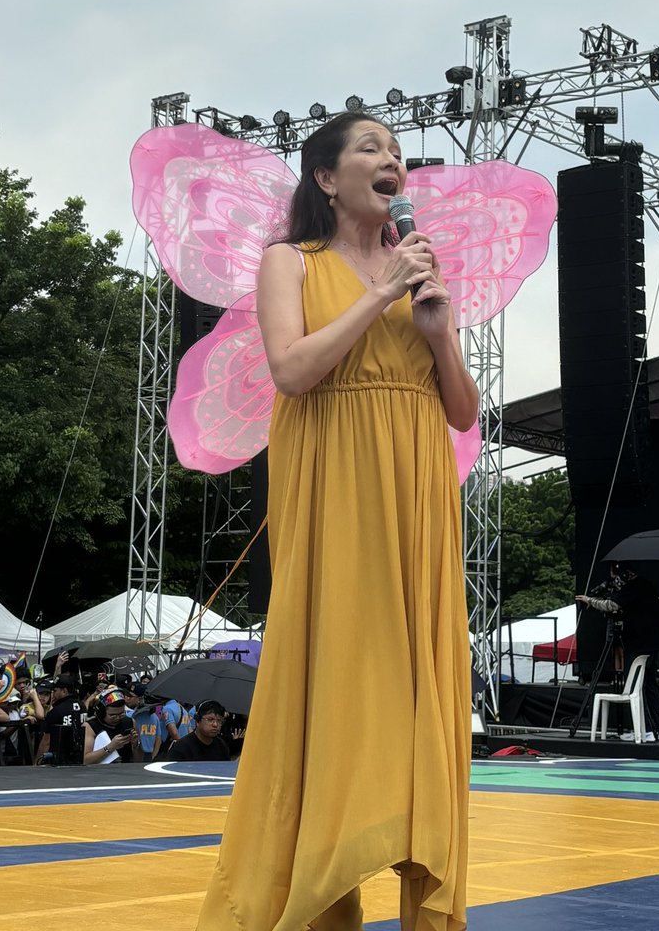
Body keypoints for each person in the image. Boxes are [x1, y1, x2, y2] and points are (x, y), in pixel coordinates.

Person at [196, 113, 478, 931]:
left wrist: (436, 329)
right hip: (336, 484)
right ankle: (319, 900)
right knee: (341, 680)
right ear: (326, 178)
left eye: (395, 152)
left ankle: (427, 896)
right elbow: (291, 370)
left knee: (419, 684)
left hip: (417, 485)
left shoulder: (420, 269)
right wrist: (383, 295)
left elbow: (462, 411)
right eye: (371, 149)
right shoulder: (290, 261)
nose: (391, 160)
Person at [577, 564, 659, 741]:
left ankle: (644, 729)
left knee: (635, 688)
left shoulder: (632, 588)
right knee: (650, 686)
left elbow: (611, 604)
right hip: (652, 644)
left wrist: (590, 601)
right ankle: (655, 728)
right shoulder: (646, 585)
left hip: (638, 645)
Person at [36, 675, 85, 766]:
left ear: (64, 691)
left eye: (55, 691)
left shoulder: (56, 711)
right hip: (80, 757)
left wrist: (36, 763)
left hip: (59, 760)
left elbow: (46, 741)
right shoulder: (82, 705)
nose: (53, 694)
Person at [168, 701, 233, 763]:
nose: (215, 724)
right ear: (197, 720)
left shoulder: (221, 746)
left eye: (219, 721)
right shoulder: (182, 747)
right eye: (210, 720)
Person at [83, 688, 133, 765]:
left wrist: (136, 744)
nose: (117, 718)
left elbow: (138, 759)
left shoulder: (129, 722)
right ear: (101, 713)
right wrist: (111, 747)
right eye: (112, 715)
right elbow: (85, 760)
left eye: (121, 714)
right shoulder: (90, 726)